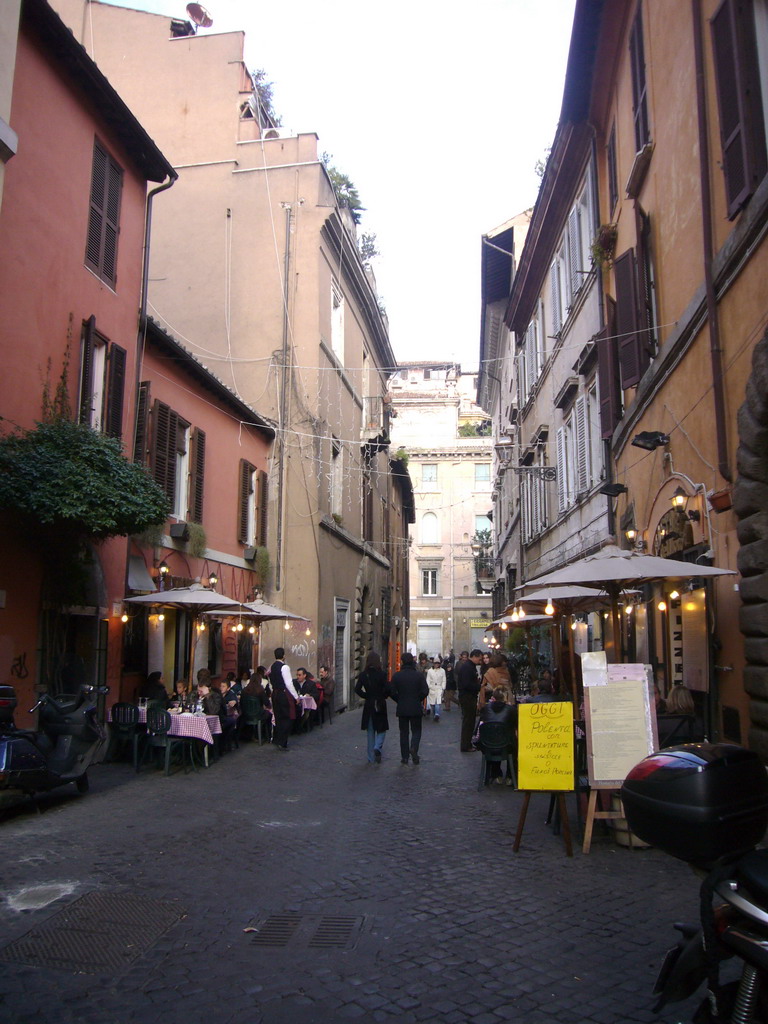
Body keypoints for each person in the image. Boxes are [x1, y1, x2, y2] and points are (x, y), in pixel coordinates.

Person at [389, 652, 429, 765]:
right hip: (415, 707)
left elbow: (391, 692)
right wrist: (418, 699)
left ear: (401, 662)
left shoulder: (397, 676)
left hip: (402, 708)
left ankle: (405, 757)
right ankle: (414, 748)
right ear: (412, 661)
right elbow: (425, 690)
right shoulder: (418, 675)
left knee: (403, 733)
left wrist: (399, 699)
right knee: (416, 731)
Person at [354, 652, 390, 764]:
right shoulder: (382, 674)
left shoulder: (363, 674)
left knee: (370, 731)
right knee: (382, 728)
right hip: (379, 703)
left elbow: (357, 689)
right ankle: (377, 747)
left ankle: (371, 758)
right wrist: (384, 696)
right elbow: (387, 689)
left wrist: (366, 696)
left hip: (369, 704)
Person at [478, 687, 517, 785]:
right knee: (513, 741)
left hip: (488, 745)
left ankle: (496, 774)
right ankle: (510, 776)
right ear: (505, 698)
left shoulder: (486, 709)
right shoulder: (511, 710)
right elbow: (516, 725)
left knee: (494, 736)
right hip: (507, 746)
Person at [269, 648, 299, 750]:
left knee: (278, 717)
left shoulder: (272, 666)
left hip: (275, 694)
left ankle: (277, 739)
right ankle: (282, 741)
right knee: (286, 717)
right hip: (282, 693)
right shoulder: (284, 667)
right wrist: (296, 696)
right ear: (283, 656)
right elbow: (289, 683)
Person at [457, 650, 483, 751]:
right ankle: (466, 745)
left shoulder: (469, 666)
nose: (480, 661)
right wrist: (478, 686)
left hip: (468, 696)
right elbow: (466, 684)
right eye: (479, 659)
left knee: (469, 721)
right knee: (468, 722)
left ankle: (467, 744)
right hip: (467, 697)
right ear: (474, 657)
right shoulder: (468, 667)